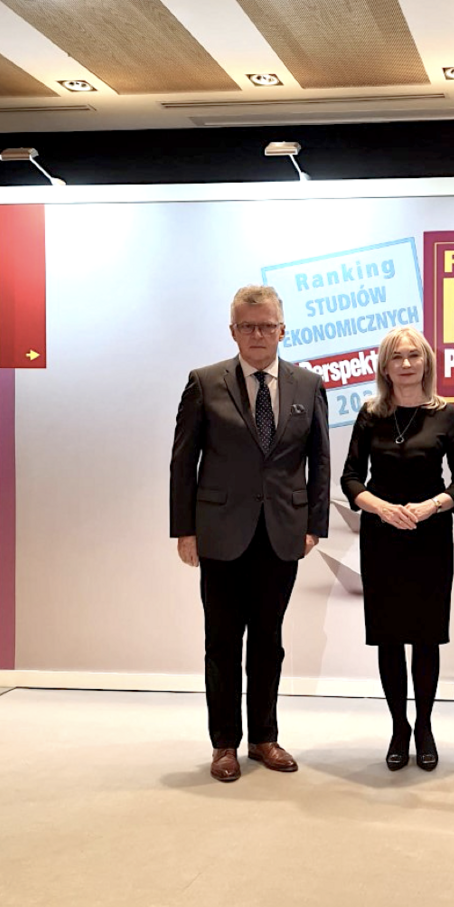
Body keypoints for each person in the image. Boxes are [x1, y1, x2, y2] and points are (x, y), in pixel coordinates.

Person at [170, 285, 330, 782]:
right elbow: (183, 463)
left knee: (268, 640)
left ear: (283, 329)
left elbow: (320, 460)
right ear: (233, 330)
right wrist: (185, 530)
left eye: (266, 325)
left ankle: (264, 738)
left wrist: (315, 525)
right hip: (219, 532)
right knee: (221, 642)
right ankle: (224, 745)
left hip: (282, 533)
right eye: (247, 325)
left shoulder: (308, 384)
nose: (257, 334)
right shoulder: (204, 382)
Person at [341, 326, 454, 771]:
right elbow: (350, 478)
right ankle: (399, 727)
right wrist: (380, 508)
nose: (405, 364)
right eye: (396, 357)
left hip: (429, 536)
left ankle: (425, 725)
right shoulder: (370, 414)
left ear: (426, 363)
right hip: (383, 538)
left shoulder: (445, 415)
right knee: (389, 639)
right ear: (385, 366)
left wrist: (432, 506)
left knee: (425, 638)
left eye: (413, 356)